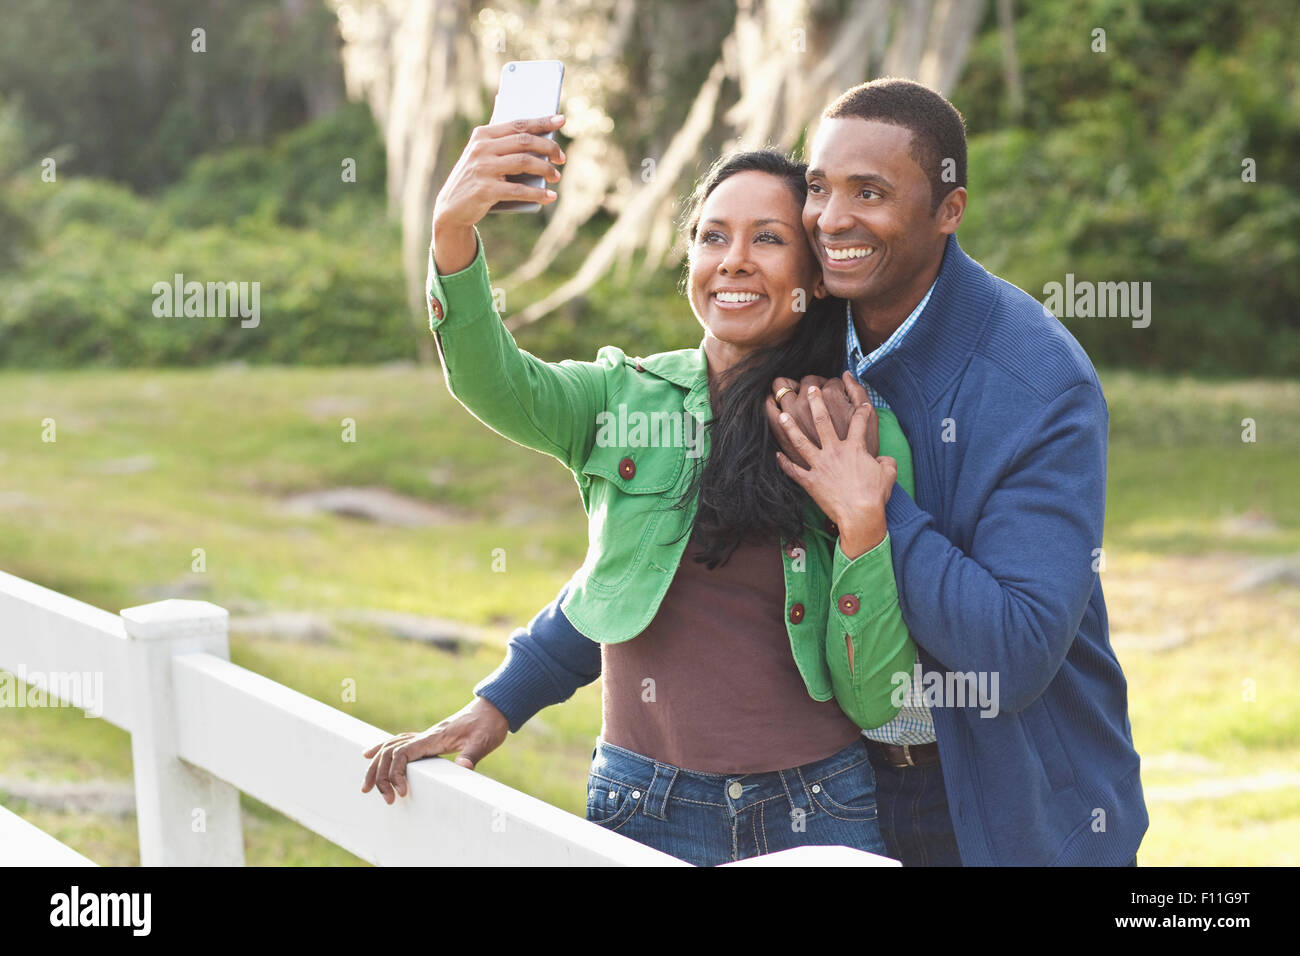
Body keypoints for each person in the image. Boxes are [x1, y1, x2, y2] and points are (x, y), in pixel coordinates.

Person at [397, 78, 1149, 867]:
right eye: (820, 190)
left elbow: (1016, 650)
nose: (832, 219)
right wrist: (505, 698)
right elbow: (645, 574)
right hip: (833, 789)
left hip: (996, 800)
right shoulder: (756, 375)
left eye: (871, 192)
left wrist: (872, 510)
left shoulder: (1023, 383)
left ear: (948, 209)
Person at [362, 128, 922, 866]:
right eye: (713, 236)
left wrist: (862, 526)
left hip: (817, 805)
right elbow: (494, 383)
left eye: (769, 239)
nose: (734, 261)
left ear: (812, 277)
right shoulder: (619, 397)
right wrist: (452, 231)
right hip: (642, 807)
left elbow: (885, 691)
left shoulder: (848, 425)